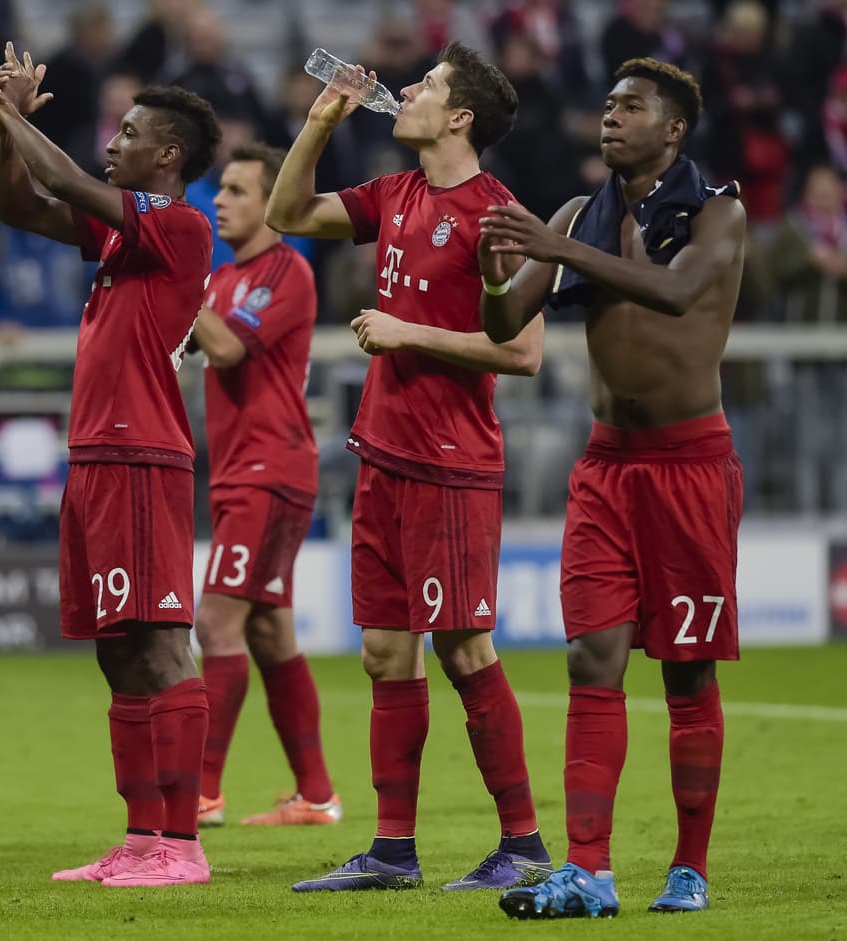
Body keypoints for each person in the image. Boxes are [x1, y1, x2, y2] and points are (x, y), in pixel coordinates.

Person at [266, 42, 551, 893]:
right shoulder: (396, 192)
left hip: (451, 461)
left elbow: (526, 350)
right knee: (387, 652)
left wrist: (408, 332)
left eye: (426, 87)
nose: (409, 95)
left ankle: (525, 842)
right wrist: (320, 121)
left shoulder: (495, 215)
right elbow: (287, 213)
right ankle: (393, 852)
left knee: (465, 648)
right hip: (383, 453)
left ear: (458, 117)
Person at [479, 58, 745, 919]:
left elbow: (676, 291)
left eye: (632, 107)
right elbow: (503, 322)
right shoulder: (574, 216)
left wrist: (560, 249)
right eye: (607, 104)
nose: (611, 116)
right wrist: (494, 270)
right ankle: (588, 868)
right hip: (605, 468)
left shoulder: (719, 213)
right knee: (591, 655)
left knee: (685, 672)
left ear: (673, 129)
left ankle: (689, 865)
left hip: (690, 468)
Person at [0, 41, 220, 887]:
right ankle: (140, 836)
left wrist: (14, 114)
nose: (111, 142)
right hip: (94, 457)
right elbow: (19, 206)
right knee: (115, 652)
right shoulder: (122, 240)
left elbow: (72, 185)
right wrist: (1, 130)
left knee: (161, 643)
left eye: (127, 133)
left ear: (166, 155)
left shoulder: (182, 225)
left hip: (143, 454)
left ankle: (184, 844)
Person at [189, 142, 338, 829]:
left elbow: (225, 348)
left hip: (269, 471)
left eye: (237, 190)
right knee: (271, 633)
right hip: (240, 471)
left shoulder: (289, 272)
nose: (219, 200)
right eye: (220, 189)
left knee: (216, 620)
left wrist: (177, 281)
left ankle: (201, 791)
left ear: (272, 202)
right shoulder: (221, 281)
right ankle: (316, 794)